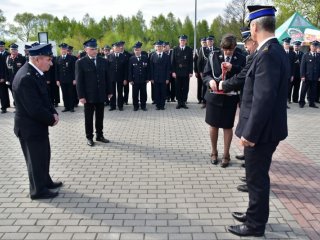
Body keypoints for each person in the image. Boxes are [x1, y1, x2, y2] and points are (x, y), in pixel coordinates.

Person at [228, 5, 289, 237]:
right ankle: (253, 214)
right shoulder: (272, 50)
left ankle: (255, 226)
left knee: (257, 179)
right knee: (257, 177)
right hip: (267, 129)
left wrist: (250, 134)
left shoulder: (268, 54)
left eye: (249, 27)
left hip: (262, 132)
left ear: (254, 26)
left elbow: (263, 99)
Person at [12, 43, 62, 200]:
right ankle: (38, 190)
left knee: (43, 156)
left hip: (37, 126)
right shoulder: (26, 77)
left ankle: (45, 181)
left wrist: (53, 112)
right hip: (29, 128)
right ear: (38, 59)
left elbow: (44, 99)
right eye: (48, 59)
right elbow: (34, 108)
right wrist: (51, 119)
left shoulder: (35, 73)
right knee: (35, 160)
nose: (51, 63)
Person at [203, 34, 246, 168]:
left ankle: (226, 155)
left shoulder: (241, 57)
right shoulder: (213, 56)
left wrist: (233, 67)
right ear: (221, 47)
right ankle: (214, 152)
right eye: (225, 49)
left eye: (230, 50)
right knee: (213, 125)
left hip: (230, 97)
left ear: (234, 48)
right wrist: (210, 81)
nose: (227, 52)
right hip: (214, 97)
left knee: (227, 126)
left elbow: (244, 75)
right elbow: (206, 74)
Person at [75, 38, 113, 147]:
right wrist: (81, 96)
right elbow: (79, 81)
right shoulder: (80, 62)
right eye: (92, 49)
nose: (94, 51)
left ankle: (99, 135)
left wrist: (109, 91)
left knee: (100, 116)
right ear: (86, 50)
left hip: (101, 94)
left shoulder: (103, 61)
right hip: (88, 95)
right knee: (88, 117)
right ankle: (89, 137)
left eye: (96, 49)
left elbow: (107, 77)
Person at [171, 34, 193, 109]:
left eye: (184, 40)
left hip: (186, 72)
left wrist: (191, 72)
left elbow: (191, 61)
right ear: (179, 41)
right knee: (178, 87)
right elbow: (172, 61)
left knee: (185, 87)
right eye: (181, 40)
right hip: (177, 73)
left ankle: (183, 102)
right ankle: (179, 102)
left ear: (186, 41)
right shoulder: (175, 49)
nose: (182, 41)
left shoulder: (189, 49)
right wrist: (173, 72)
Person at [128, 41, 149, 111]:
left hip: (143, 79)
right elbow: (130, 70)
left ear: (141, 50)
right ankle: (135, 106)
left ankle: (143, 106)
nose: (137, 51)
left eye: (138, 50)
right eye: (135, 50)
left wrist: (147, 78)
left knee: (143, 93)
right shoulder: (131, 59)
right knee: (135, 94)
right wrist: (130, 80)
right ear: (134, 51)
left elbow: (147, 69)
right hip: (135, 80)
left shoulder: (145, 58)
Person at [108, 42, 128, 111]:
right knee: (112, 92)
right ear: (113, 49)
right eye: (115, 47)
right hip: (112, 77)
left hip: (120, 77)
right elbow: (107, 69)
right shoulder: (109, 56)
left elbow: (126, 69)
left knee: (120, 92)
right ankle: (112, 106)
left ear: (120, 48)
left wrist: (125, 79)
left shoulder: (124, 56)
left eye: (118, 47)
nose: (117, 49)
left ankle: (120, 106)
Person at [149, 40, 170, 110]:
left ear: (162, 47)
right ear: (156, 47)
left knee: (163, 92)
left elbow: (168, 68)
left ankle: (162, 105)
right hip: (155, 78)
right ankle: (158, 105)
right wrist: (151, 78)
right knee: (157, 92)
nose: (159, 48)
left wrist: (167, 78)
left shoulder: (166, 56)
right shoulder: (152, 56)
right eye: (158, 46)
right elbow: (151, 68)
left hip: (164, 78)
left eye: (161, 46)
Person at [299, 40, 320, 108]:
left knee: (313, 91)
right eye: (313, 46)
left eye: (315, 46)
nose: (314, 47)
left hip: (315, 77)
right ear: (310, 47)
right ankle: (301, 102)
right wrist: (302, 75)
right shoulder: (306, 55)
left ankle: (312, 103)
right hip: (307, 76)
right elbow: (302, 66)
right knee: (303, 90)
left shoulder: (318, 56)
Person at [56, 43, 76, 112]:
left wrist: (74, 79)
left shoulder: (71, 58)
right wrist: (57, 80)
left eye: (64, 49)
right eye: (62, 49)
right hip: (62, 79)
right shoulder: (58, 58)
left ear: (67, 50)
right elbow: (57, 70)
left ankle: (71, 107)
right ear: (60, 50)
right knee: (64, 94)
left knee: (71, 93)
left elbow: (74, 69)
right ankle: (66, 107)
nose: (63, 50)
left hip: (70, 79)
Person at [282, 37, 295, 108]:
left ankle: (285, 102)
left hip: (289, 75)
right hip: (281, 74)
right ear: (283, 44)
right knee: (281, 89)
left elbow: (293, 65)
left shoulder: (292, 53)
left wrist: (292, 75)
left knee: (287, 89)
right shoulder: (280, 52)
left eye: (288, 44)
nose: (287, 45)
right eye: (286, 44)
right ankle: (282, 103)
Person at [0, 40, 10, 113]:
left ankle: (15, 105)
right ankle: (4, 107)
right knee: (2, 93)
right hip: (1, 77)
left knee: (13, 92)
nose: (1, 48)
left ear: (4, 47)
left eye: (2, 46)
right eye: (0, 46)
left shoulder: (8, 54)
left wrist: (4, 77)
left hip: (8, 77)